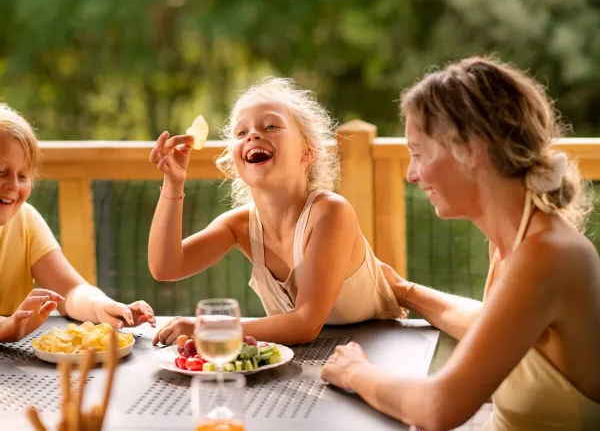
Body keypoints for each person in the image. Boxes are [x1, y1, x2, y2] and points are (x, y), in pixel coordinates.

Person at [320, 56, 600, 430]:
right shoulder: (515, 241)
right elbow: (490, 326)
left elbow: (438, 409)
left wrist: (356, 373)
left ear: (471, 149)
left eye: (418, 153)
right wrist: (404, 291)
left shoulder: (548, 254)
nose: (411, 174)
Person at [149, 77, 405, 346]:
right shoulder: (239, 226)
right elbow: (166, 267)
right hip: (309, 360)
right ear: (234, 162)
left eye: (271, 126)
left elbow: (305, 324)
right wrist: (173, 182)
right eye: (240, 133)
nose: (253, 135)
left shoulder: (330, 212)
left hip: (381, 349)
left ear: (308, 152)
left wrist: (208, 327)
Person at [0, 103, 156, 343]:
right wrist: (6, 327)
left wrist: (101, 306)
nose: (13, 185)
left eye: (23, 176)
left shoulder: (26, 220)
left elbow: (70, 291)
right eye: (1, 171)